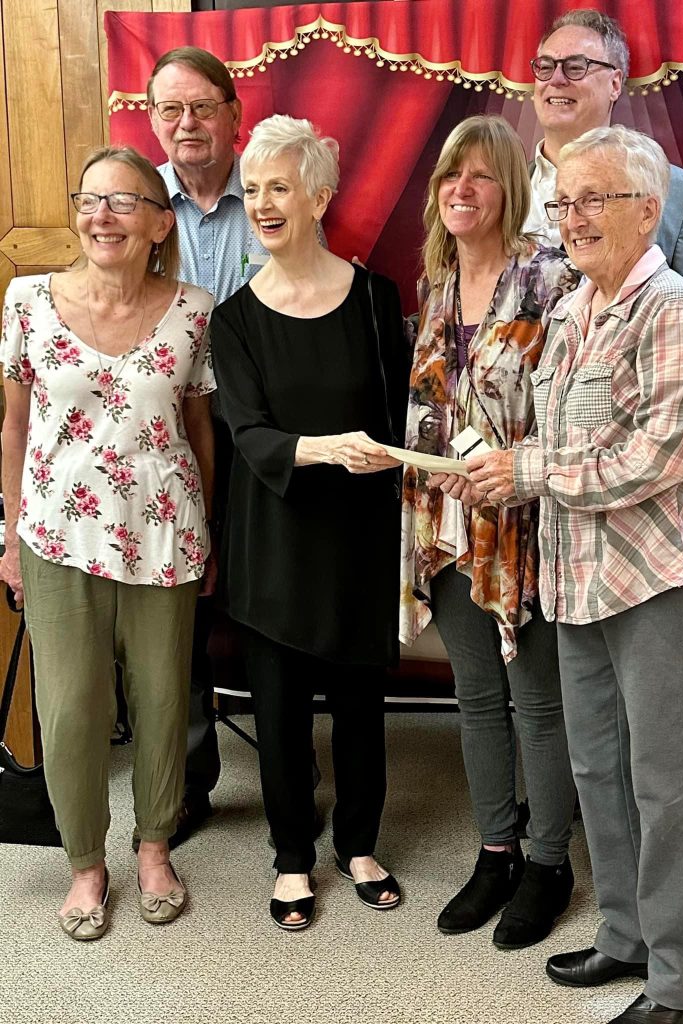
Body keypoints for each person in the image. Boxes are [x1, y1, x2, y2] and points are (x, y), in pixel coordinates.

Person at [469, 125, 683, 1023]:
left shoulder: (673, 308)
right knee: (599, 773)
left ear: (647, 210)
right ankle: (625, 935)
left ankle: (682, 982)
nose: (571, 218)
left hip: (660, 580)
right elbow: (559, 443)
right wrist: (498, 466)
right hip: (578, 579)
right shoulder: (574, 307)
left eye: (592, 200)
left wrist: (530, 471)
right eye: (563, 202)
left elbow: (660, 456)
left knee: (670, 785)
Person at [0, 145, 216, 939]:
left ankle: (154, 847)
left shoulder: (195, 309)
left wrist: (208, 533)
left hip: (165, 532)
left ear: (160, 223)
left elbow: (198, 429)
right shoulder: (28, 299)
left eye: (124, 202)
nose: (102, 216)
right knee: (69, 709)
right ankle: (85, 863)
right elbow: (14, 428)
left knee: (162, 699)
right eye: (90, 200)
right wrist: (9, 536)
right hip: (55, 534)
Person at [209, 115, 406, 930]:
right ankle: (292, 856)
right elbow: (250, 434)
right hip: (274, 539)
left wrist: (390, 456)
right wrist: (328, 449)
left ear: (319, 198)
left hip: (358, 538)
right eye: (253, 189)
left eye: (279, 188)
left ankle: (359, 844)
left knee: (361, 705)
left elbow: (400, 420)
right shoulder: (233, 319)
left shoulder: (375, 300)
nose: (262, 203)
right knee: (281, 711)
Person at [399, 114, 581, 951]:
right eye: (450, 174)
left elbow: (574, 406)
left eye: (478, 175)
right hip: (445, 523)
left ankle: (549, 862)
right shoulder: (436, 284)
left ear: (509, 187)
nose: (461, 189)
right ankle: (497, 850)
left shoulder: (550, 278)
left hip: (524, 521)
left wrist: (511, 467)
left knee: (538, 702)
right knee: (475, 697)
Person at [147, 46, 324, 843]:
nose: (186, 123)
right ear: (154, 120)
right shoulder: (139, 201)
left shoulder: (270, 190)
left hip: (260, 433)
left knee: (272, 600)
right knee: (176, 612)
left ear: (233, 114)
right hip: (165, 437)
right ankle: (190, 781)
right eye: (170, 109)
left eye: (201, 107)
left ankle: (291, 764)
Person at [525, 8, 683, 295]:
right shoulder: (497, 188)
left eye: (575, 67)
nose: (555, 79)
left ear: (615, 84)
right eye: (545, 66)